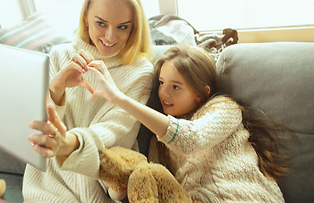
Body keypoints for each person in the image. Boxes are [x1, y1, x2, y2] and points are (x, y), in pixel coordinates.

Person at [88, 44, 291, 202]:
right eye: (161, 82)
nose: (164, 93)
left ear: (200, 93)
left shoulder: (223, 108)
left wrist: (119, 99)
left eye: (176, 87)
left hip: (246, 197)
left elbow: (190, 139)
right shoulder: (157, 144)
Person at [23, 0, 154, 202]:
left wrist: (69, 144)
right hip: (44, 183)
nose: (110, 37)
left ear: (134, 28)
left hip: (95, 185)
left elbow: (115, 134)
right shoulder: (59, 54)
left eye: (122, 27)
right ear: (86, 18)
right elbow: (38, 128)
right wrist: (56, 88)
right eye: (101, 24)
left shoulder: (140, 71)